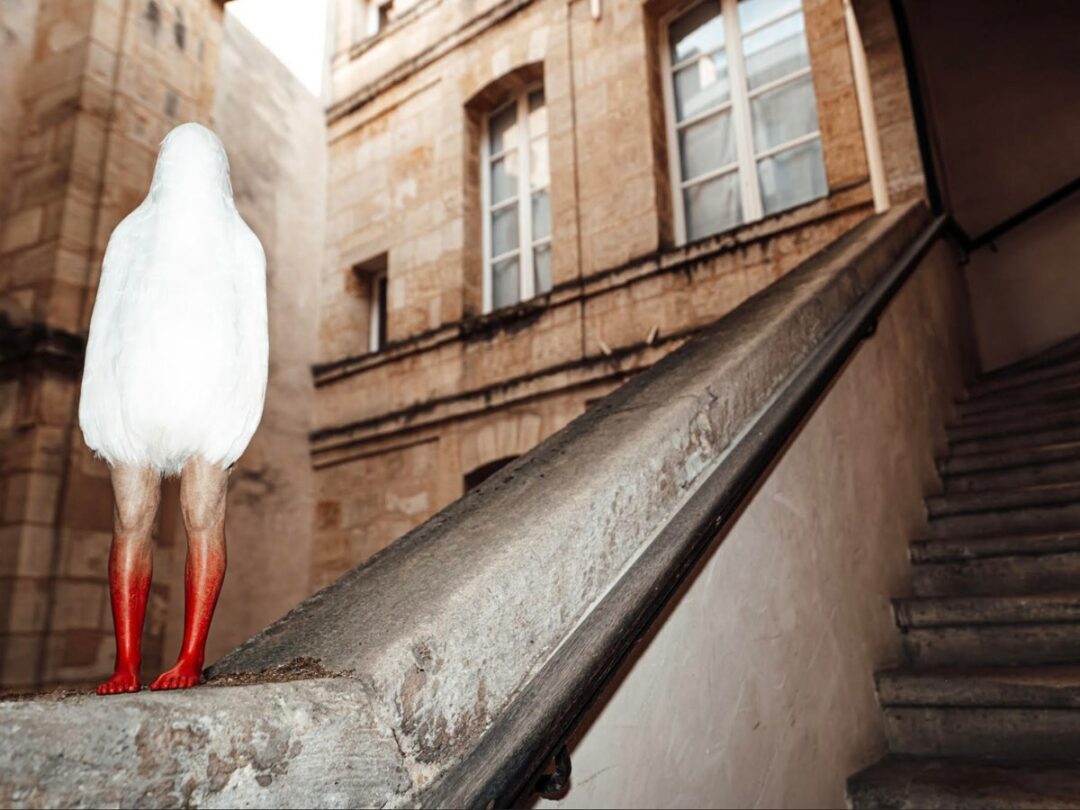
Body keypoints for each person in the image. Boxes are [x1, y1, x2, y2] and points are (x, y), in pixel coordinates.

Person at [79, 123, 268, 694]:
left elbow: (254, 342)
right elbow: (104, 326)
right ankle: (127, 663)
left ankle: (190, 655)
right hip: (136, 394)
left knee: (201, 517)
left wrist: (237, 421)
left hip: (208, 397)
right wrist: (98, 408)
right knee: (132, 521)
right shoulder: (129, 235)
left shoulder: (242, 244)